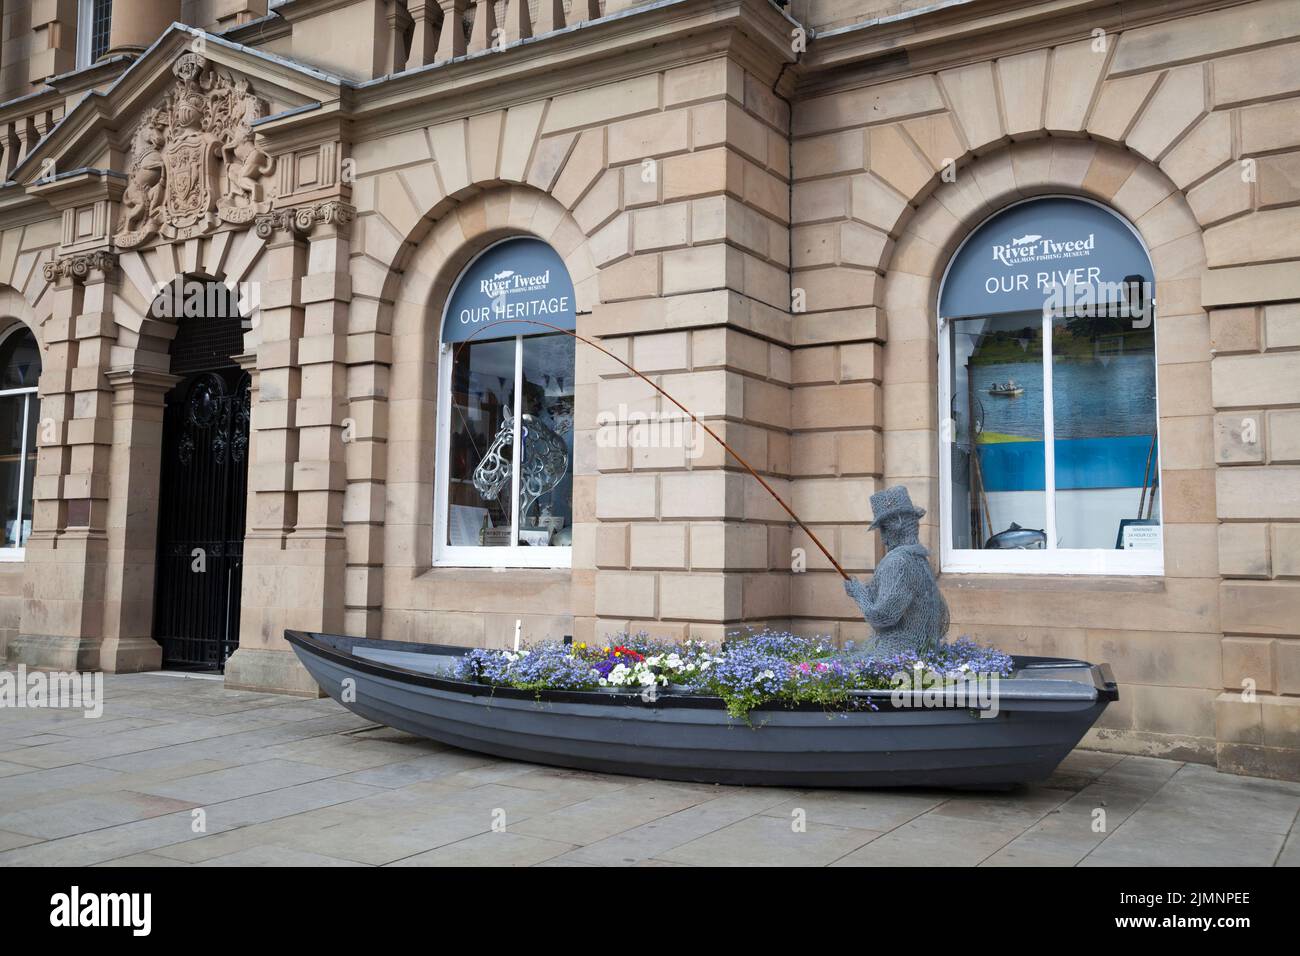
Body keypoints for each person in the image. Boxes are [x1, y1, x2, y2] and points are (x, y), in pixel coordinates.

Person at [843, 485, 951, 657]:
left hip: (897, 656)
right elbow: (942, 619)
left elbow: (883, 617)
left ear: (897, 525)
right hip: (926, 655)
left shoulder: (898, 562)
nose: (884, 539)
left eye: (884, 529)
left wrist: (858, 594)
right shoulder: (920, 559)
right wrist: (866, 591)